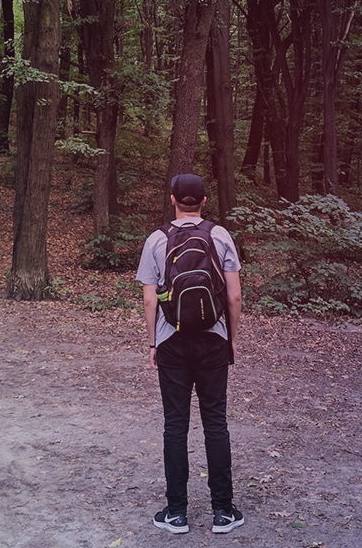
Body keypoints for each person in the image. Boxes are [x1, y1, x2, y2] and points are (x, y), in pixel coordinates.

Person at [136, 173, 245, 535]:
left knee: (175, 425)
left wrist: (154, 342)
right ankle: (223, 512)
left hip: (172, 341)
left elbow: (150, 298)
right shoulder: (220, 235)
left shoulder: (156, 239)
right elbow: (233, 296)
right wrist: (230, 337)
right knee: (215, 422)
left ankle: (177, 513)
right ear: (203, 200)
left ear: (172, 200)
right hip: (214, 339)